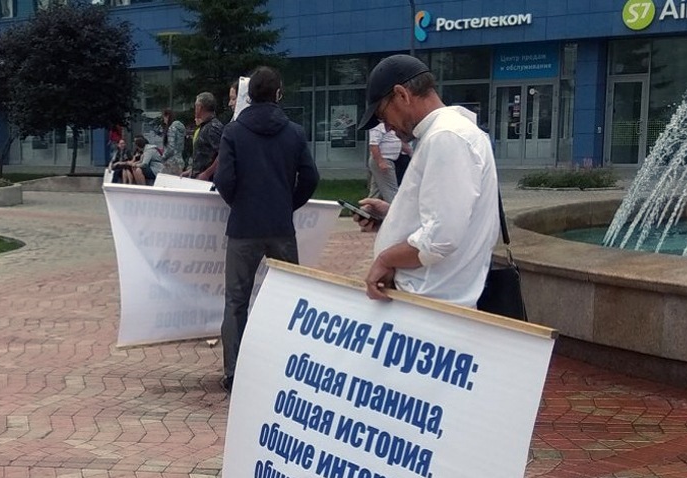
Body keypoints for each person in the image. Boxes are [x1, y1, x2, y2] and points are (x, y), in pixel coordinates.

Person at [353, 54, 500, 308]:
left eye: (383, 115)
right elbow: (449, 218)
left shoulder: (446, 137)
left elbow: (440, 239)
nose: (386, 128)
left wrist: (386, 259)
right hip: (431, 300)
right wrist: (394, 216)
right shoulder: (447, 133)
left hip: (429, 302)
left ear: (402, 95)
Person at [214, 66, 320, 392]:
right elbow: (311, 177)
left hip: (243, 227)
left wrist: (240, 203)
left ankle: (234, 372)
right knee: (290, 298)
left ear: (248, 95)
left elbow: (224, 179)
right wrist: (287, 204)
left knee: (236, 301)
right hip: (280, 227)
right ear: (278, 94)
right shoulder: (294, 133)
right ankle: (285, 364)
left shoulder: (233, 132)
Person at [185, 92, 223, 181]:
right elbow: (204, 156)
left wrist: (206, 174)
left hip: (208, 181)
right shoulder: (205, 126)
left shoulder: (212, 128)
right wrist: (192, 171)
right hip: (200, 179)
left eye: (196, 106)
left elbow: (223, 154)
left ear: (199, 108)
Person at [366, 121, 401, 202]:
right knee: (391, 190)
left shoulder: (390, 125)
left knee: (376, 192)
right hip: (383, 160)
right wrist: (381, 162)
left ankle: (368, 208)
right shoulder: (377, 126)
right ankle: (394, 206)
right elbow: (373, 145)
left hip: (387, 160)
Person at [160, 109, 186, 176]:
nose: (164, 120)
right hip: (179, 160)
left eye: (164, 117)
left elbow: (171, 147)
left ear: (167, 116)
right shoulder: (180, 129)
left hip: (171, 162)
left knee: (163, 180)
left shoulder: (171, 128)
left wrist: (163, 157)